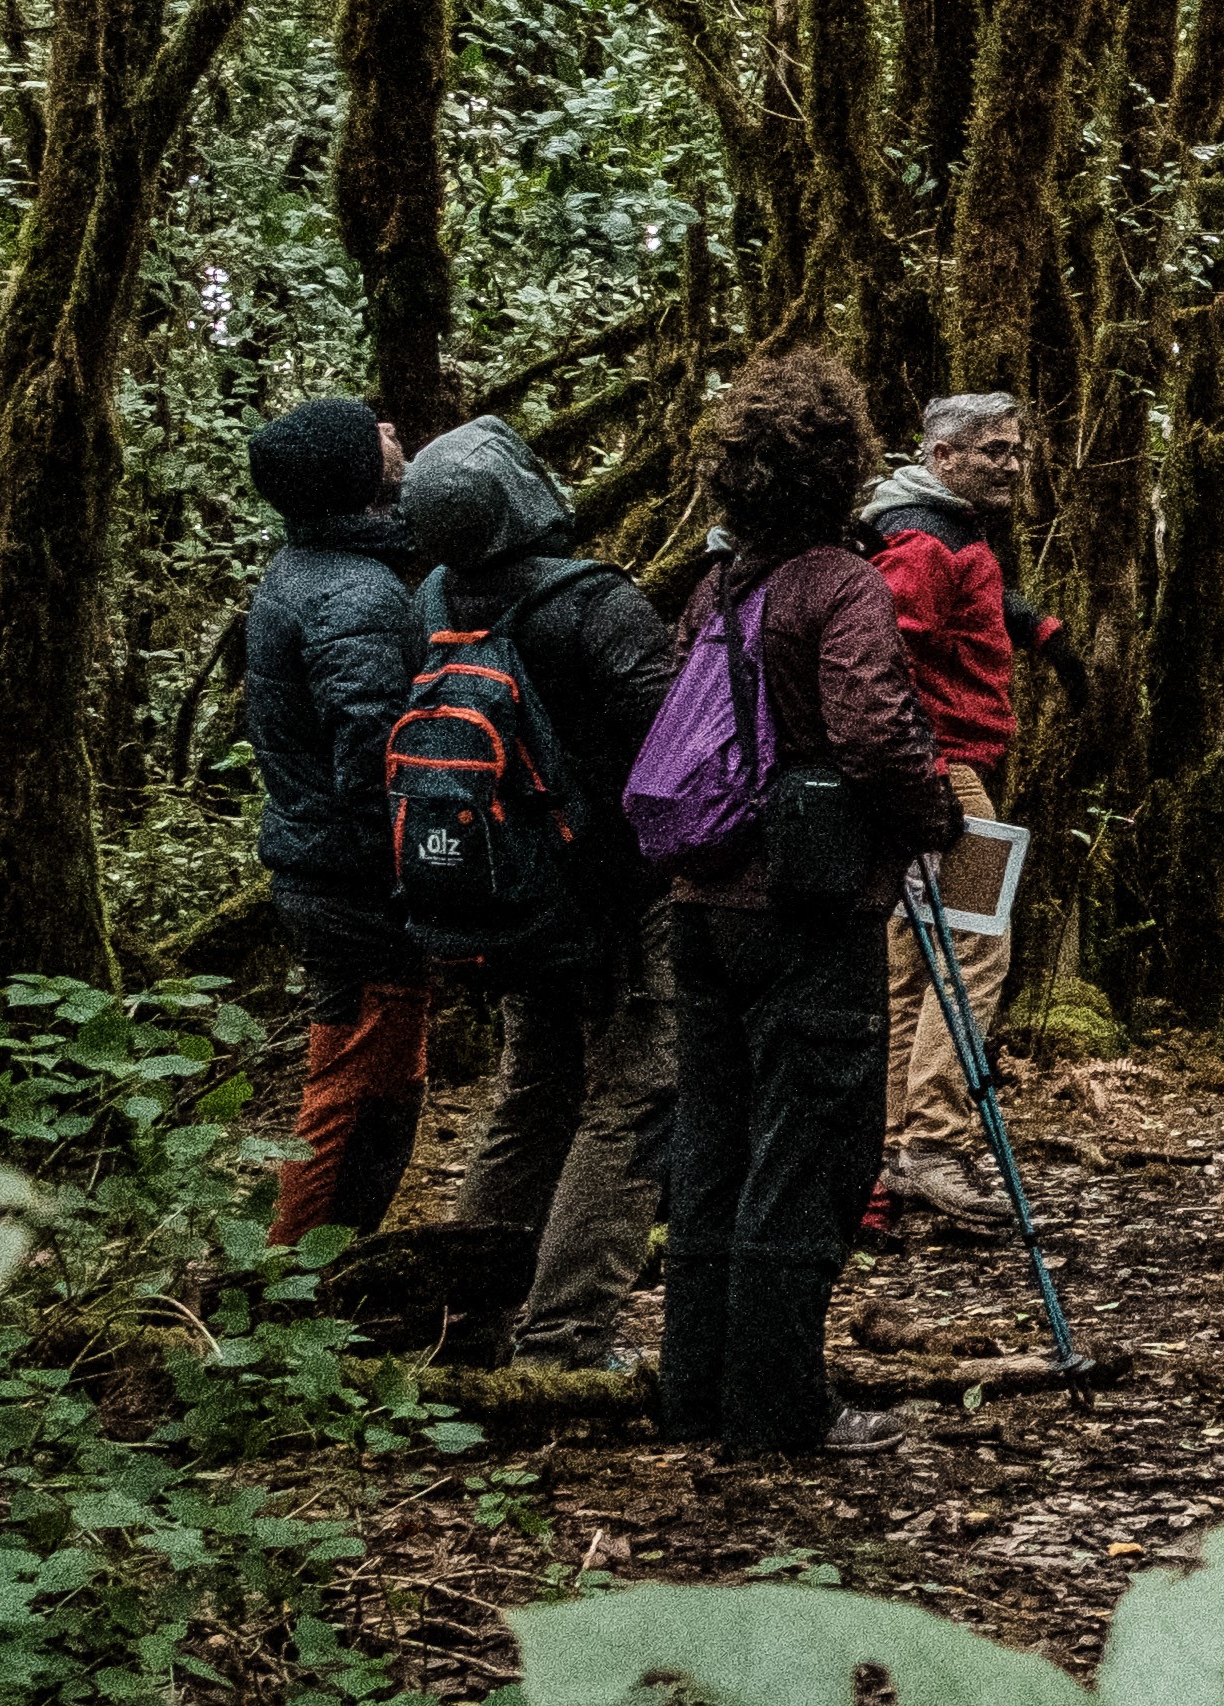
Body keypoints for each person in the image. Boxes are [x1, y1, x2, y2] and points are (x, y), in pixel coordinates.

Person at [650, 348, 967, 1460]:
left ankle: (696, 1388)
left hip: (703, 900)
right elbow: (874, 728)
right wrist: (933, 812)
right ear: (837, 468)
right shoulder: (839, 583)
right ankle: (781, 1404)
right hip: (805, 903)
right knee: (811, 1148)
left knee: (714, 1139)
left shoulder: (716, 586)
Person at [399, 419, 684, 1369]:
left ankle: (466, 1327)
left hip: (502, 895)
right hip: (612, 894)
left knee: (532, 1098)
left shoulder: (435, 599)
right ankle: (566, 1336)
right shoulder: (592, 601)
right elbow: (676, 747)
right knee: (635, 1097)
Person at [863, 394, 1059, 1242]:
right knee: (980, 946)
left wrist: (1036, 627)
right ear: (942, 458)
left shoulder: (947, 531)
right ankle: (935, 1146)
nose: (1011, 463)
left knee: (913, 964)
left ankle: (894, 1154)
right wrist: (926, 774)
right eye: (991, 451)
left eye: (1016, 450)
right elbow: (883, 653)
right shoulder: (923, 541)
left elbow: (964, 605)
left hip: (942, 774)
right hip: (947, 781)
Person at [244, 393, 432, 1248]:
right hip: (353, 882)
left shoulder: (313, 568)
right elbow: (372, 752)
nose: (394, 434)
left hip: (329, 872)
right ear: (355, 474)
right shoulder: (352, 593)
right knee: (352, 1090)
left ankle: (333, 1275)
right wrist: (417, 864)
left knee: (382, 1084)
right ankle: (284, 1294)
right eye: (378, 435)